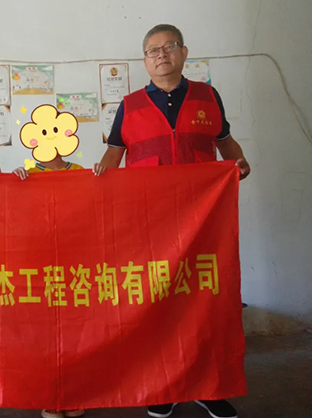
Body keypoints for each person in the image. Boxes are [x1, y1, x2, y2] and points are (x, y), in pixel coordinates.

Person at [93, 24, 249, 418]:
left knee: (205, 303)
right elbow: (114, 153)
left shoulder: (207, 96)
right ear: (145, 60)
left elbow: (225, 142)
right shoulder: (130, 105)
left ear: (184, 52)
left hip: (204, 222)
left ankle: (209, 387)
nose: (161, 54)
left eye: (169, 46)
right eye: (153, 50)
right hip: (152, 224)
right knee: (158, 302)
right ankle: (163, 387)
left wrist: (239, 161)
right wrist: (95, 182)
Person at [13, 155, 84, 418]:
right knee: (44, 333)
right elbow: (19, 211)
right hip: (40, 260)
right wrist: (14, 181)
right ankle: (50, 396)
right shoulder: (29, 174)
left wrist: (101, 173)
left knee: (74, 331)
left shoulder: (78, 171)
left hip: (73, 257)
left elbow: (89, 203)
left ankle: (73, 395)